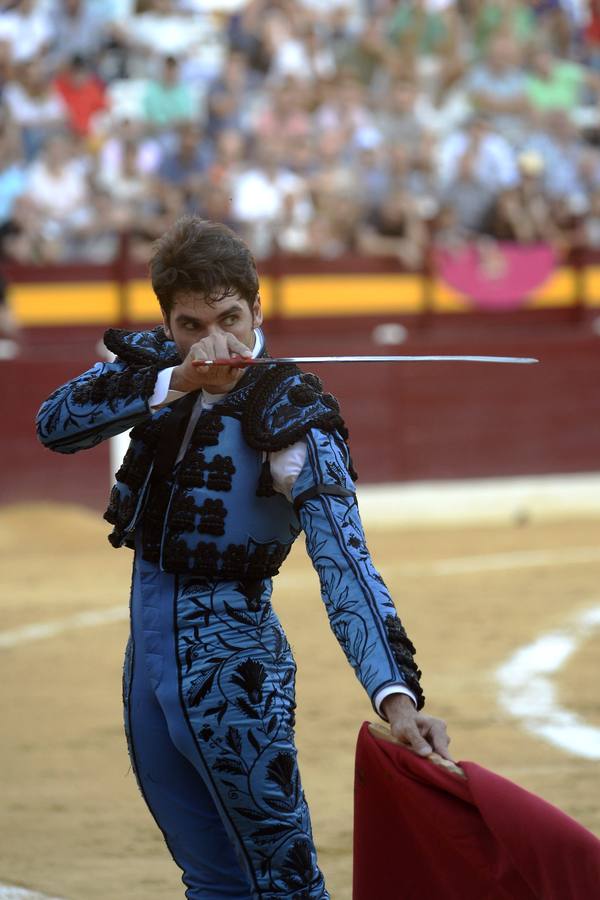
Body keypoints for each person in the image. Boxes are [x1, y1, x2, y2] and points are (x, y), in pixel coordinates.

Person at [36, 216, 451, 899]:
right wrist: (173, 379)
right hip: (147, 654)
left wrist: (396, 695)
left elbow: (344, 561)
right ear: (169, 323)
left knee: (281, 879)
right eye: (191, 325)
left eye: (230, 317)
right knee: (210, 875)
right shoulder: (155, 370)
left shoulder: (293, 414)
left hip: (233, 668)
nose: (216, 342)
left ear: (258, 308)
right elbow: (53, 426)